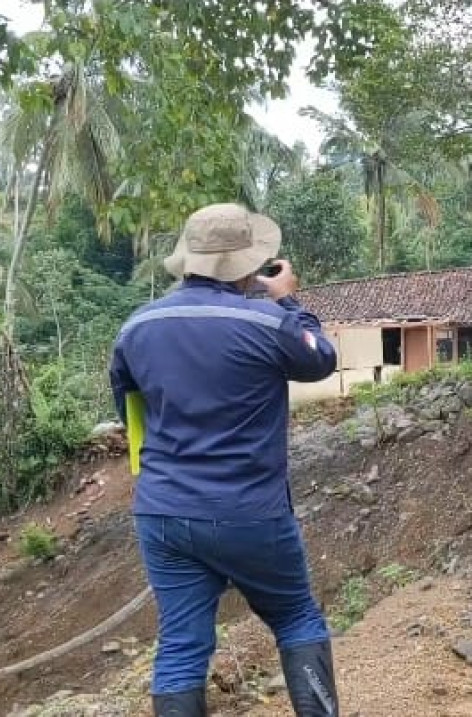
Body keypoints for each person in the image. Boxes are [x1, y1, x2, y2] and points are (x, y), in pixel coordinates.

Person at [109, 203, 340, 717]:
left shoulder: (135, 328)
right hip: (250, 511)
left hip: (163, 512)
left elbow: (130, 414)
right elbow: (320, 358)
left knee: (181, 646)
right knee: (297, 618)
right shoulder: (268, 321)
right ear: (247, 265)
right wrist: (290, 301)